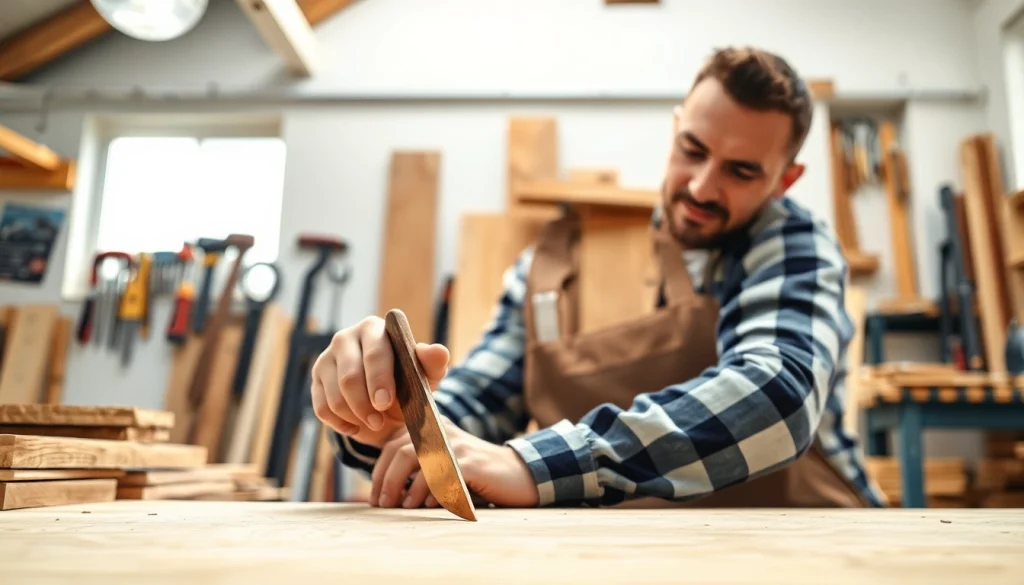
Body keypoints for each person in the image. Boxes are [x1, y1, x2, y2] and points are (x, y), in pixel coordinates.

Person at [311, 45, 887, 510]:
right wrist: (386, 412)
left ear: (785, 180)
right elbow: (473, 409)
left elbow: (777, 398)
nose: (703, 187)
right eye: (693, 150)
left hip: (810, 547)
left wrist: (533, 465)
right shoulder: (559, 265)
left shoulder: (792, 247)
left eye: (741, 171)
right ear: (676, 129)